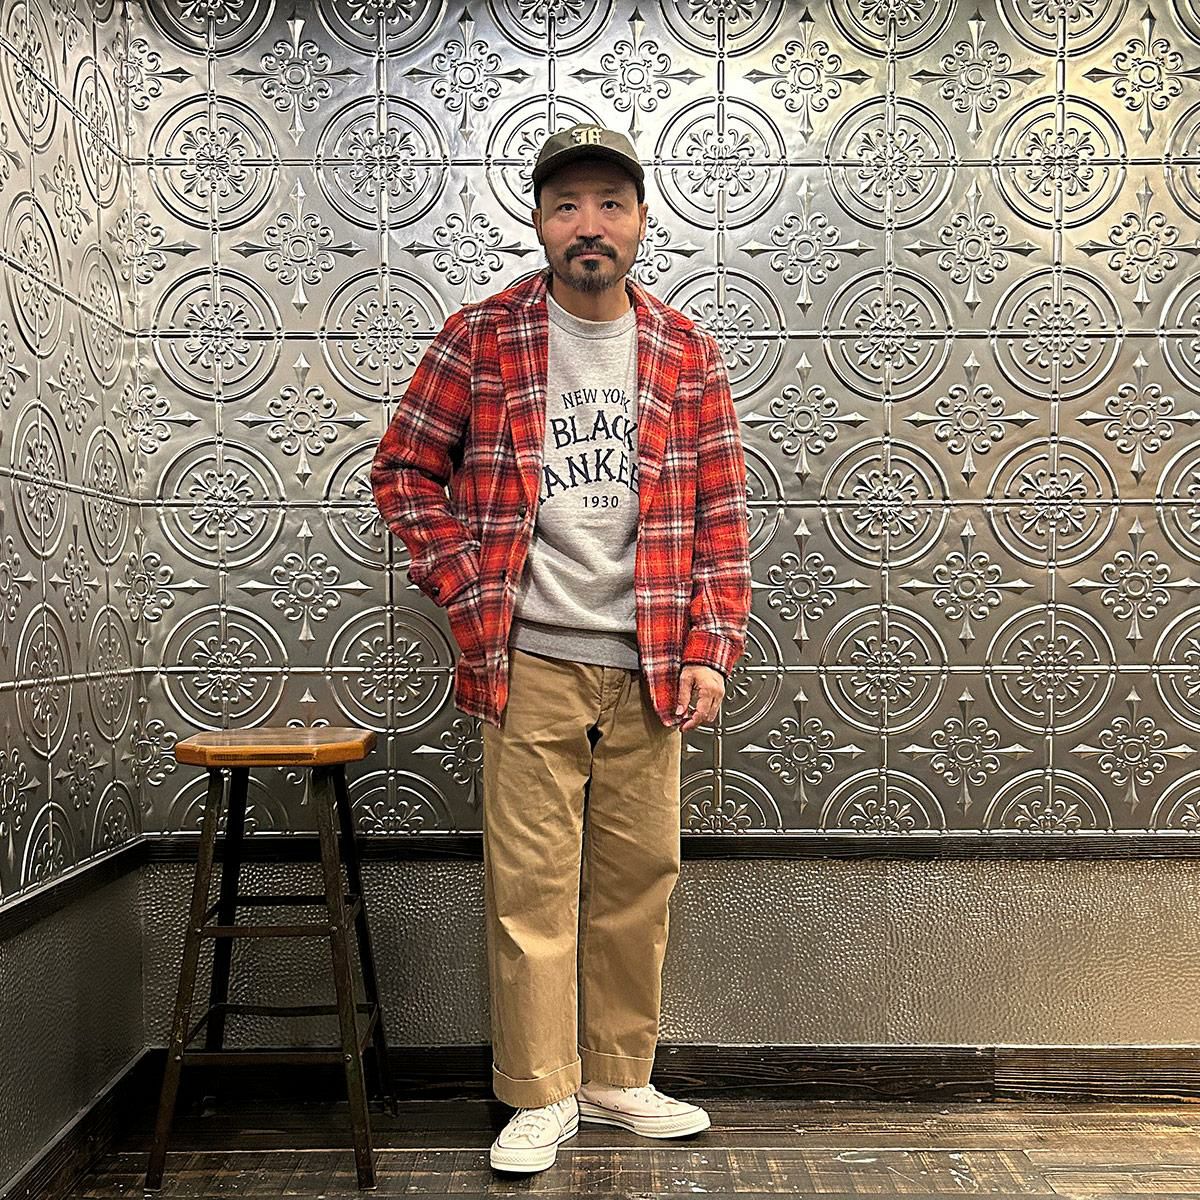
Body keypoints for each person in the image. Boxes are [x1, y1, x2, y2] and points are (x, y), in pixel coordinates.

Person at [370, 123, 751, 1175]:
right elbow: (403, 470)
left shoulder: (685, 351)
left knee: (639, 880)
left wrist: (713, 645)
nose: (590, 224)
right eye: (568, 205)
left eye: (610, 205)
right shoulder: (481, 337)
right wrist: (465, 582)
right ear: (539, 222)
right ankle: (539, 1090)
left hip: (652, 660)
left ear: (640, 222)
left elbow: (721, 515)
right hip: (527, 658)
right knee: (531, 887)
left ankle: (617, 1077)